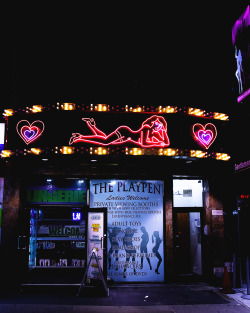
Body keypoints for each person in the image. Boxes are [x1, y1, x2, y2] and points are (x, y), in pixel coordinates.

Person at [69, 115, 170, 148]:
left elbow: (165, 142)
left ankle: (92, 125)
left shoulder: (153, 133)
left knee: (105, 139)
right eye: (157, 124)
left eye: (160, 125)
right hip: (124, 133)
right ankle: (80, 137)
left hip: (126, 137)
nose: (158, 127)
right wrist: (157, 142)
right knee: (105, 142)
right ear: (152, 123)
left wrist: (163, 132)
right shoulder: (147, 128)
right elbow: (144, 143)